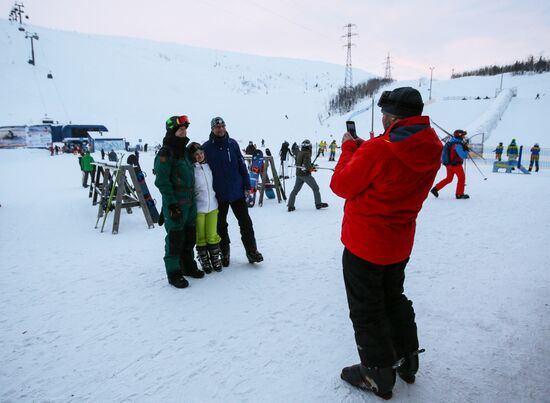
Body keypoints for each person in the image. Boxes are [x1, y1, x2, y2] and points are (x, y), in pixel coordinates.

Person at [330, 87, 442, 399]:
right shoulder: (431, 144)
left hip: (364, 242)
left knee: (367, 308)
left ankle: (377, 373)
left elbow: (341, 184)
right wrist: (367, 150)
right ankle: (407, 360)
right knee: (394, 297)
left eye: (384, 115)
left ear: (391, 116)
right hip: (399, 243)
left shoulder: (379, 149)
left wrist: (350, 150)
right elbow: (393, 162)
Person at [202, 116, 263, 266]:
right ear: (212, 129)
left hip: (237, 192)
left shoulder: (233, 144)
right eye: (217, 127)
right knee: (220, 225)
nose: (221, 129)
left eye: (223, 126)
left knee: (246, 223)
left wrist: (247, 186)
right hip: (219, 194)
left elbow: (242, 166)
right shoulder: (206, 147)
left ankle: (252, 251)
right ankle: (224, 253)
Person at [154, 115, 204, 289]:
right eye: (180, 129)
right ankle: (174, 272)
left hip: (190, 201)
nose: (184, 132)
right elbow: (162, 181)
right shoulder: (166, 153)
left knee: (190, 235)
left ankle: (188, 266)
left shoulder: (183, 151)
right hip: (176, 201)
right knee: (175, 238)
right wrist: (171, 204)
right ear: (172, 131)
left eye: (185, 129)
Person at [188, 141, 224, 273]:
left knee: (212, 234)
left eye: (201, 153)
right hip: (199, 208)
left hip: (213, 207)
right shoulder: (191, 169)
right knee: (200, 236)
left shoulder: (209, 167)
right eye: (196, 154)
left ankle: (215, 258)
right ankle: (204, 260)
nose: (199, 156)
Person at [287, 139, 328, 212]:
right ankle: (318, 204)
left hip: (299, 174)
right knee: (315, 188)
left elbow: (301, 163)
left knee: (295, 190)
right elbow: (307, 166)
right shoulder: (306, 154)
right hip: (305, 175)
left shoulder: (300, 152)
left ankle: (290, 205)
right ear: (308, 147)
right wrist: (311, 168)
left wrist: (311, 166)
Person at [431, 129, 470, 199]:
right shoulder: (457, 145)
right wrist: (466, 150)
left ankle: (435, 189)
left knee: (449, 178)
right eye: (463, 135)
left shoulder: (450, 142)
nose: (464, 137)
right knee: (461, 178)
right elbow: (463, 156)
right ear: (460, 136)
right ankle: (459, 194)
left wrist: (463, 147)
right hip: (455, 165)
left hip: (448, 165)